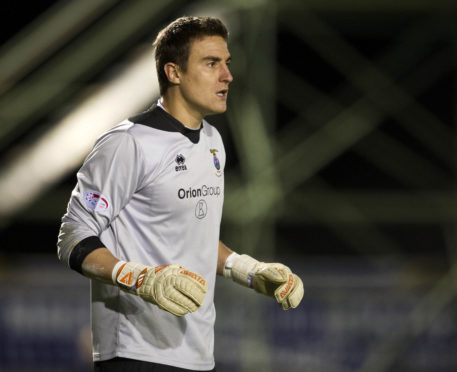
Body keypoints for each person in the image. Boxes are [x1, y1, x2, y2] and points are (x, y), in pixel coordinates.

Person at [57, 16, 304, 372]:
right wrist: (140, 278)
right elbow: (72, 237)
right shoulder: (127, 143)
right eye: (211, 63)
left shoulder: (212, 141)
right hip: (135, 352)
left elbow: (194, 236)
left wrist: (248, 270)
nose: (227, 76)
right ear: (173, 73)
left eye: (227, 63)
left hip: (198, 353)